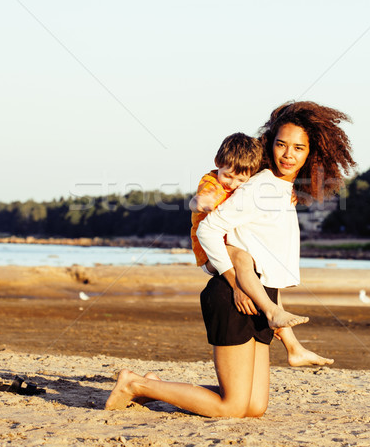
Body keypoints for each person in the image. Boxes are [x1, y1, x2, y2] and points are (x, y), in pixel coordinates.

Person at [105, 101, 355, 417]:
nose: (288, 154)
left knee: (254, 407)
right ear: (269, 144)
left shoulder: (282, 189)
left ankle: (151, 385)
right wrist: (234, 281)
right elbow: (209, 229)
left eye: (298, 148)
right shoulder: (260, 185)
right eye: (281, 144)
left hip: (261, 295)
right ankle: (134, 385)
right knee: (233, 406)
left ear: (311, 153)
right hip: (233, 295)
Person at [189, 132, 309, 331]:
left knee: (266, 274)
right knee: (243, 258)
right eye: (228, 176)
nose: (232, 184)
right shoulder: (213, 183)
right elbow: (197, 201)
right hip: (209, 253)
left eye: (240, 181)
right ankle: (272, 312)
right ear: (218, 162)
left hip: (228, 246)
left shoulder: (248, 182)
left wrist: (289, 189)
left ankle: (293, 346)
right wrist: (201, 202)